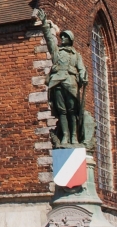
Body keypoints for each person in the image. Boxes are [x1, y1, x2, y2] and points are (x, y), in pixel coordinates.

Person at [35, 8, 88, 147]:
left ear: (70, 40)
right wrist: (44, 23)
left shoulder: (76, 55)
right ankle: (64, 135)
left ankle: (73, 136)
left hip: (71, 82)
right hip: (57, 82)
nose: (62, 38)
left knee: (72, 110)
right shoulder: (57, 52)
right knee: (62, 111)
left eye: (65, 36)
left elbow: (82, 69)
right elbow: (49, 39)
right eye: (62, 36)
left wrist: (83, 77)